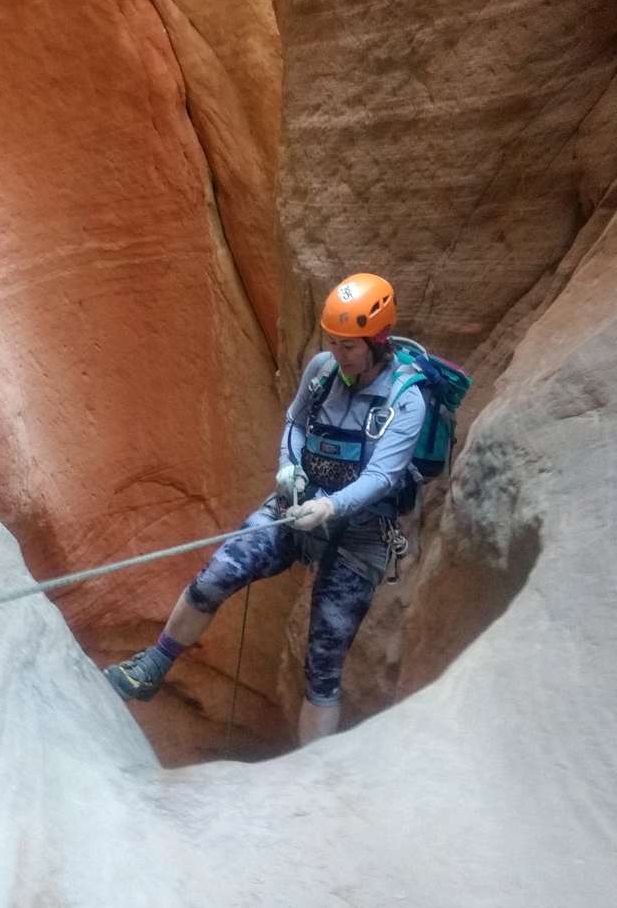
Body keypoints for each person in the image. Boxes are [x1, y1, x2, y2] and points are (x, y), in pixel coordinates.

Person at [103, 272, 427, 745]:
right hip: (296, 503)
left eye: (349, 347)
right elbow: (295, 423)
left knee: (324, 660)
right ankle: (153, 664)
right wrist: (288, 468)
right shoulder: (323, 371)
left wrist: (329, 506)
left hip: (360, 532)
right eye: (333, 343)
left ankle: (311, 772)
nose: (339, 355)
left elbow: (382, 477)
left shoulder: (406, 400)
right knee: (219, 572)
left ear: (377, 342)